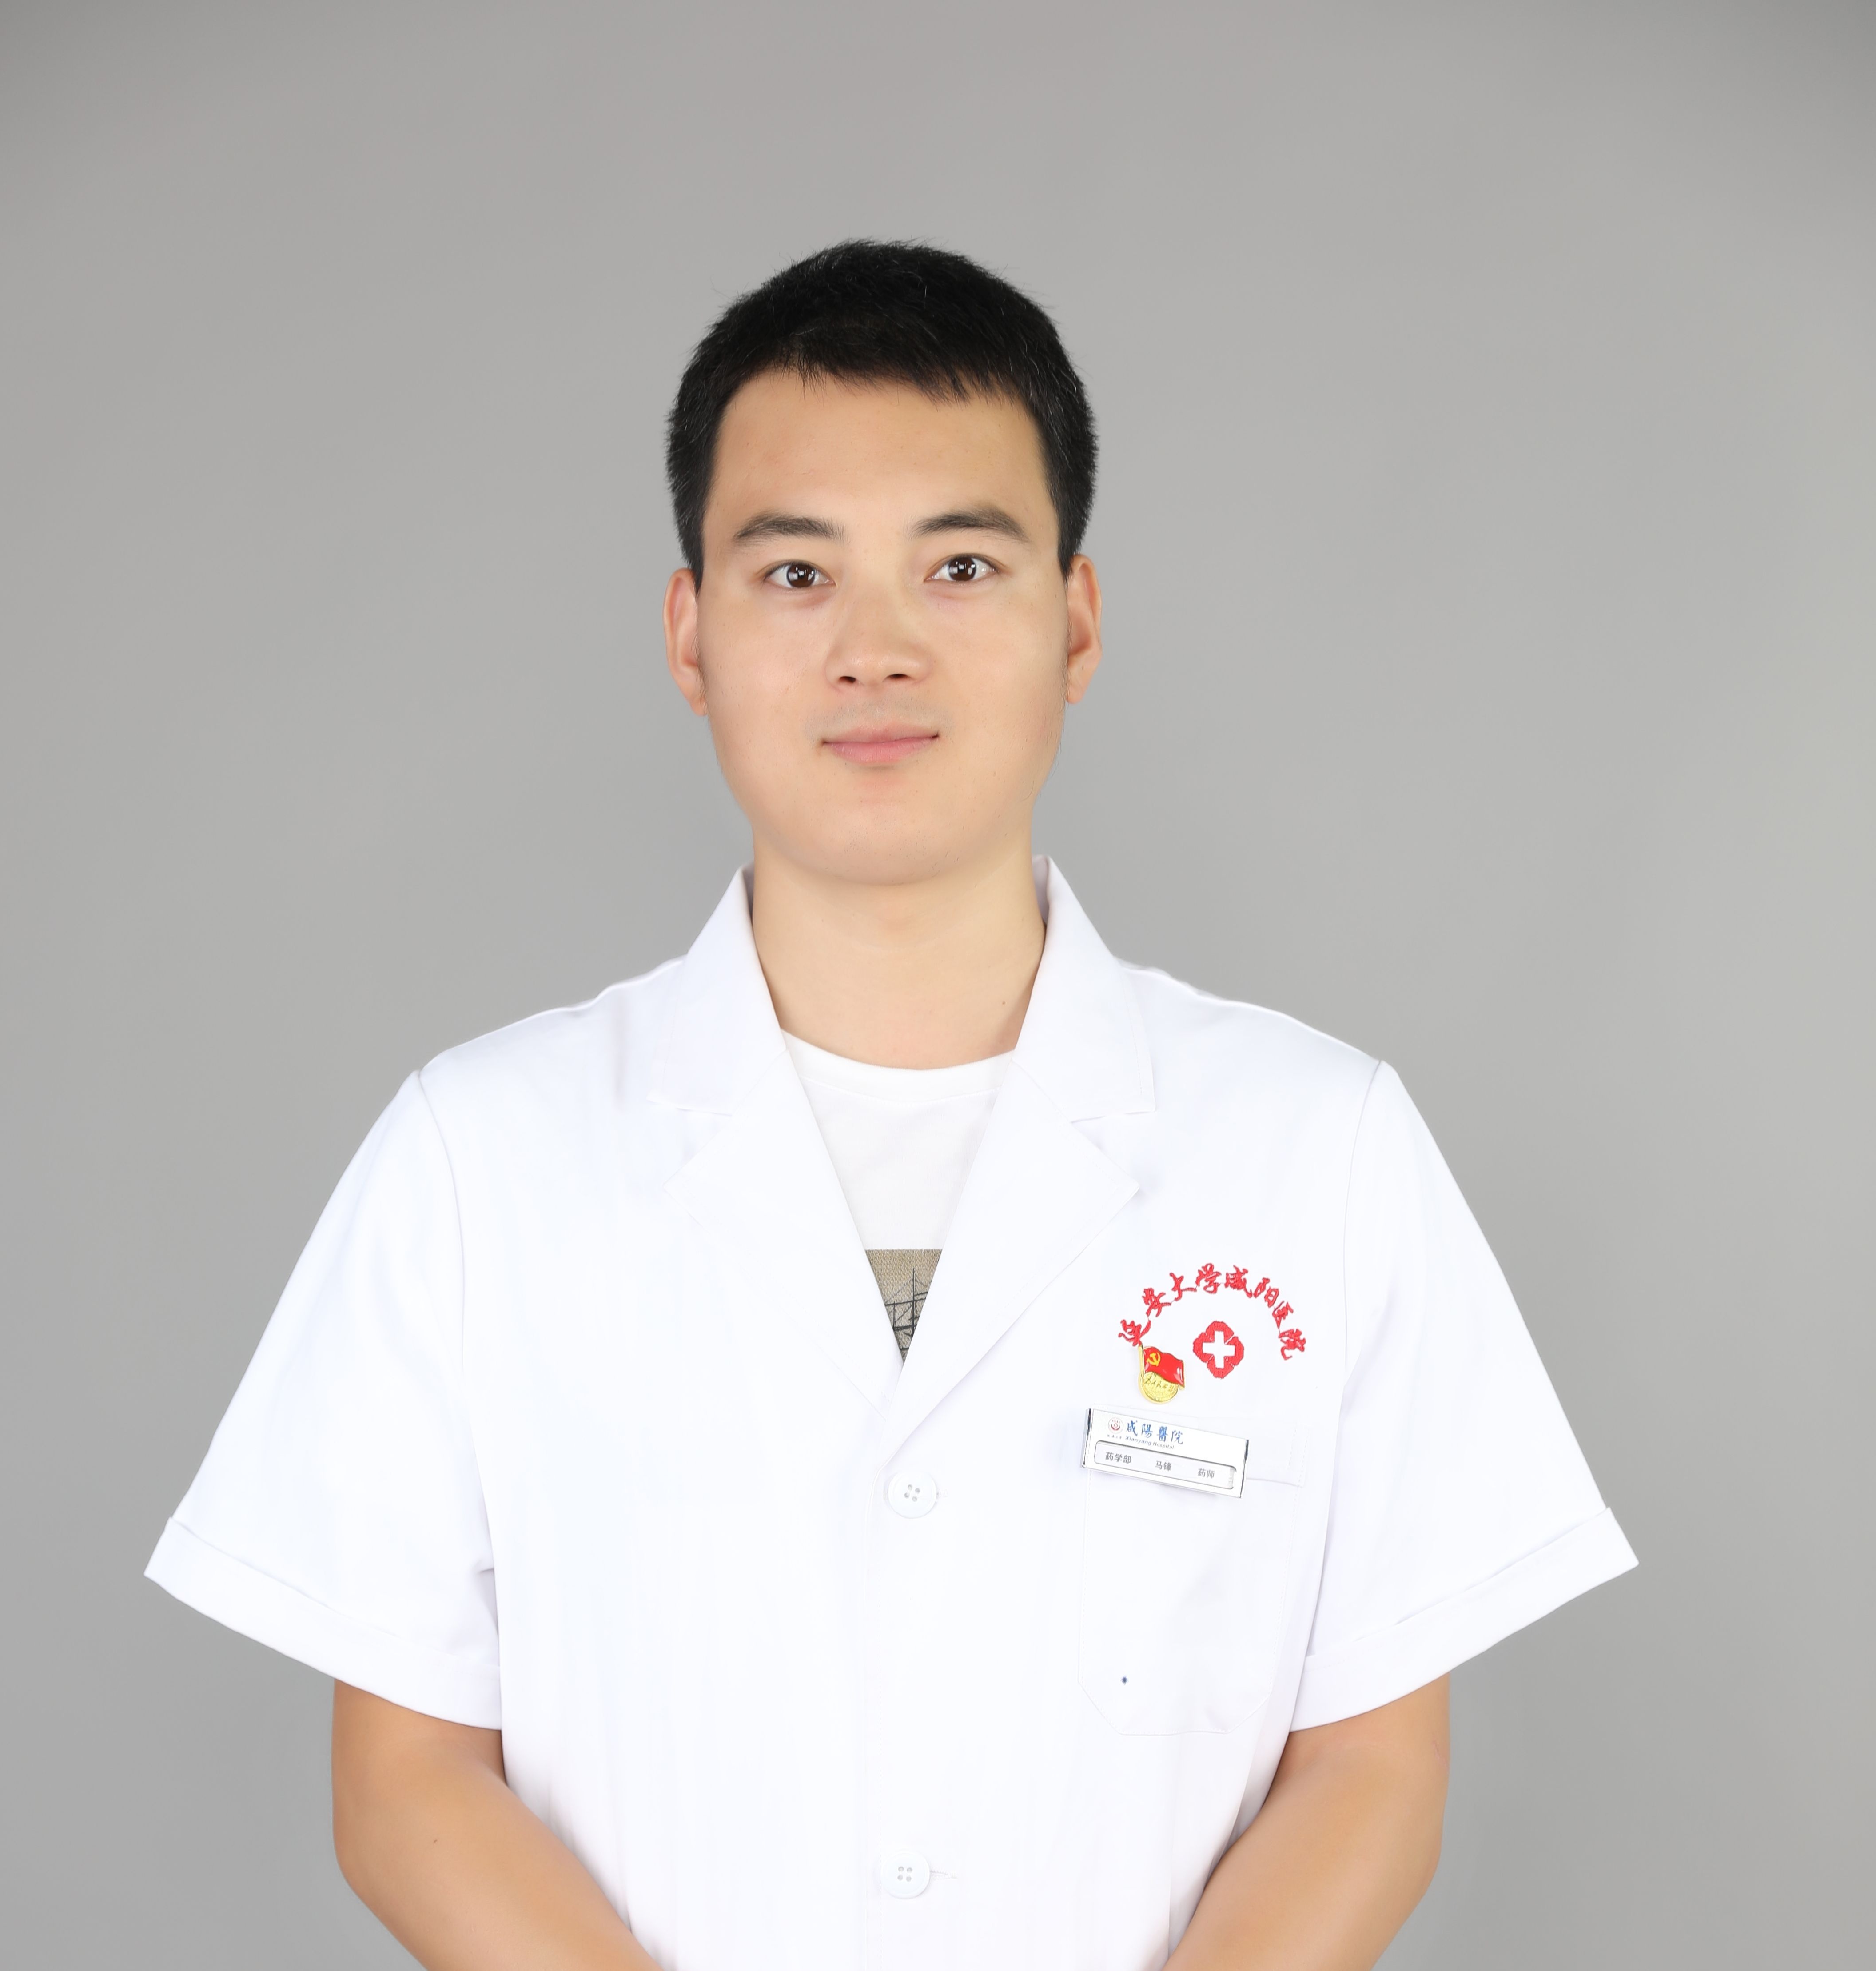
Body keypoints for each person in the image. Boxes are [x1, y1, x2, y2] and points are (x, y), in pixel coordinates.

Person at [147, 239, 1635, 1971]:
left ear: (1075, 622)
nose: (876, 649)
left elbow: (1371, 1765)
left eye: (960, 565)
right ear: (690, 633)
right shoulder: (479, 1159)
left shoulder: (1317, 1147)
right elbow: (406, 1775)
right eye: (796, 572)